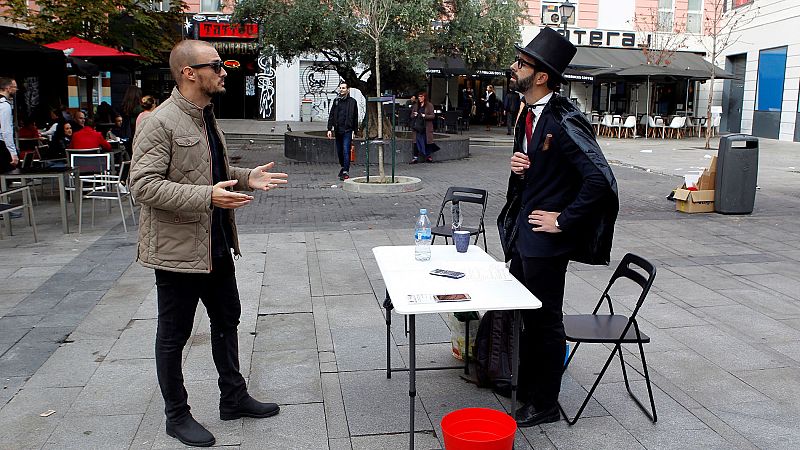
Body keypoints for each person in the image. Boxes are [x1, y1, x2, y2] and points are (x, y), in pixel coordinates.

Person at [130, 39, 288, 448]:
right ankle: (176, 416)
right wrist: (207, 197)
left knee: (227, 319)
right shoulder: (159, 122)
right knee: (174, 335)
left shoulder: (206, 116)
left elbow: (209, 170)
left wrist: (245, 174)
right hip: (177, 252)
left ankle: (233, 398)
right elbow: (143, 185)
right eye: (216, 66)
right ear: (189, 72)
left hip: (216, 244)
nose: (224, 72)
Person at [497, 27, 619, 428]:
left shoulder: (564, 120)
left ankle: (546, 403)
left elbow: (599, 179)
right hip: (525, 239)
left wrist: (562, 220)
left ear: (542, 76)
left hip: (547, 245)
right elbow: (544, 174)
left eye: (521, 63)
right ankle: (528, 385)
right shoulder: (529, 115)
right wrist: (521, 169)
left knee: (546, 321)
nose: (513, 68)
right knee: (527, 317)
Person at [326, 81, 358, 180]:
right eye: (340, 88)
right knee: (340, 152)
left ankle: (345, 172)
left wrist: (354, 131)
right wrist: (329, 129)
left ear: (348, 90)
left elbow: (355, 117)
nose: (341, 89)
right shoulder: (336, 101)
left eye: (343, 88)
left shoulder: (352, 102)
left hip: (347, 130)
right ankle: (343, 167)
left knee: (345, 151)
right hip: (338, 130)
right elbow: (331, 115)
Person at [410, 91, 435, 164]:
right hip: (417, 126)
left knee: (427, 141)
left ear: (425, 97)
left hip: (426, 127)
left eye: (421, 96)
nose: (420, 98)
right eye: (419, 96)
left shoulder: (429, 105)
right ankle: (415, 157)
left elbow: (433, 116)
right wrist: (414, 115)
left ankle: (428, 156)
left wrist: (425, 116)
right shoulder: (416, 105)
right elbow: (411, 115)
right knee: (416, 142)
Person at [0, 77, 19, 171]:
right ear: (8, 88)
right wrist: (12, 152)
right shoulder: (4, 105)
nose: (16, 90)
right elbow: (6, 131)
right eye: (14, 87)